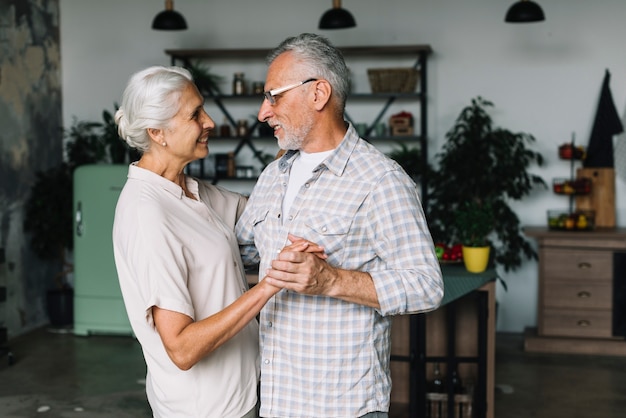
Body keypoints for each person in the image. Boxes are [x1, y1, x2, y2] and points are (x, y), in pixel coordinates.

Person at [235, 33, 445, 418]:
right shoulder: (272, 175)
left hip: (343, 405)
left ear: (318, 94)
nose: (263, 112)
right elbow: (244, 253)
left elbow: (426, 285)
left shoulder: (380, 180)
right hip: (276, 401)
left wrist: (330, 279)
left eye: (273, 96)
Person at [111, 65, 322, 418]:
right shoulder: (147, 213)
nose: (209, 122)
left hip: (244, 393)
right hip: (207, 408)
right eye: (195, 114)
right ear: (157, 132)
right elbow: (181, 347)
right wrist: (270, 284)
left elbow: (261, 209)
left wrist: (290, 147)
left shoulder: (191, 191)